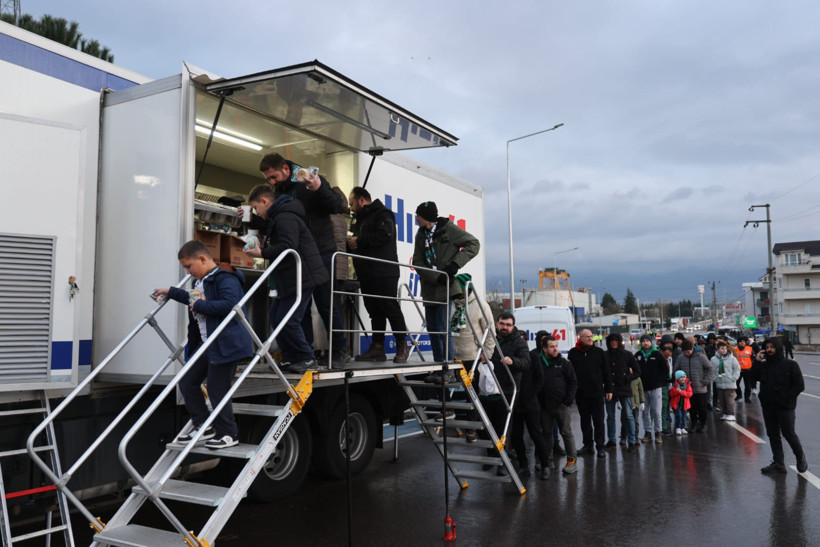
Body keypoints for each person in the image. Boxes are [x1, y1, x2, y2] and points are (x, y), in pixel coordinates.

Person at [153, 240, 253, 449]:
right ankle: (204, 427)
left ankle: (228, 433)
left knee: (217, 389)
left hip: (226, 344)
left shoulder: (225, 277)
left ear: (202, 259)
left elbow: (231, 304)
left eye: (189, 266)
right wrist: (170, 291)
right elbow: (191, 299)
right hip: (208, 344)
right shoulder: (200, 282)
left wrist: (200, 305)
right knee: (187, 382)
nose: (188, 272)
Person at [257, 153, 346, 367]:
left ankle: (339, 350)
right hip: (300, 256)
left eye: (274, 176)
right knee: (300, 308)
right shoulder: (279, 192)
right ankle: (303, 355)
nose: (272, 181)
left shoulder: (310, 179)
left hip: (322, 251)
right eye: (269, 179)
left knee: (326, 304)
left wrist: (318, 188)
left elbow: (335, 206)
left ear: (286, 169)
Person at [245, 184, 329, 373]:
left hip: (302, 275)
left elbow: (288, 245)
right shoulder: (281, 216)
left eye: (256, 208)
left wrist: (262, 252)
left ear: (264, 201)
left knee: (287, 319)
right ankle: (291, 358)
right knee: (277, 317)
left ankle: (306, 358)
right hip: (293, 276)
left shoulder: (285, 217)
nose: (257, 213)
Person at [412, 201, 480, 362]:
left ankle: (447, 366)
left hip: (446, 286)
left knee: (443, 328)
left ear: (427, 217)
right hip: (429, 286)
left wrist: (455, 265)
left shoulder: (449, 229)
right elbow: (417, 262)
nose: (416, 219)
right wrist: (435, 276)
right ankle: (438, 363)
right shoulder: (421, 234)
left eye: (418, 216)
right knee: (432, 328)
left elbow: (474, 244)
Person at [347, 187, 409, 363]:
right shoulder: (359, 220)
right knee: (374, 311)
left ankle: (402, 345)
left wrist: (359, 240)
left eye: (352, 203)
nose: (351, 208)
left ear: (361, 200)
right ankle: (377, 347)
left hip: (384, 270)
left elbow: (385, 235)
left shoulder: (383, 214)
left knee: (390, 307)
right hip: (366, 272)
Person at [483, 312, 530, 476]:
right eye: (502, 324)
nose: (504, 327)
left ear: (513, 326)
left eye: (508, 325)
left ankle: (505, 463)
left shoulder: (519, 343)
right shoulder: (490, 339)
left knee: (506, 430)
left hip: (509, 391)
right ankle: (491, 458)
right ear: (497, 323)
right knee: (488, 427)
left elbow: (526, 363)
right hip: (489, 389)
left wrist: (513, 361)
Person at [451, 273, 496, 443]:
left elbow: (490, 331)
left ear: (466, 288)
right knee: (446, 387)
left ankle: (471, 427)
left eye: (458, 287)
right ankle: (446, 414)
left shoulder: (480, 305)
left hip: (473, 356)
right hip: (454, 356)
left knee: (472, 394)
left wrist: (487, 353)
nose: (455, 290)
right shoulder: (452, 304)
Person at [757, 338, 809, 474]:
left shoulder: (790, 365)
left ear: (778, 348)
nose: (769, 350)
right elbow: (753, 377)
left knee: (789, 434)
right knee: (773, 435)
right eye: (767, 347)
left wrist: (785, 398)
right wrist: (756, 361)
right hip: (768, 406)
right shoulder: (763, 365)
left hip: (785, 407)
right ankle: (779, 463)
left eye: (772, 347)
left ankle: (800, 457)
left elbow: (799, 385)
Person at [536, 335, 579, 475]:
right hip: (544, 406)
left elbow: (573, 382)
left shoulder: (564, 363)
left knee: (566, 433)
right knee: (547, 434)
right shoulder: (539, 363)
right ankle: (547, 459)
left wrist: (568, 400)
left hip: (562, 406)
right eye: (551, 347)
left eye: (556, 346)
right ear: (544, 348)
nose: (555, 349)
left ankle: (572, 460)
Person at [511, 329, 550, 479]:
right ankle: (523, 465)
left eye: (523, 340)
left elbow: (540, 379)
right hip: (515, 402)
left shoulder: (533, 357)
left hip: (531, 403)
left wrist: (531, 394)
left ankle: (545, 464)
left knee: (536, 434)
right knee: (516, 436)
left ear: (526, 341)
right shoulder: (512, 357)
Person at [568, 329, 612, 458]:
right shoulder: (573, 353)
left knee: (599, 421)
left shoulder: (599, 352)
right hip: (581, 393)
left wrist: (609, 389)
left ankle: (600, 446)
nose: (590, 339)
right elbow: (570, 373)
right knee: (585, 421)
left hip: (597, 393)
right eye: (587, 337)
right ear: (580, 338)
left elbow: (606, 372)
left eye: (591, 336)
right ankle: (588, 445)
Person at [604, 333, 640, 452]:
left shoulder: (627, 355)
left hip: (624, 389)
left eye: (616, 341)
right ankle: (612, 440)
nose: (613, 343)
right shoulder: (605, 355)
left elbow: (637, 371)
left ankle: (632, 441)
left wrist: (627, 378)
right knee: (610, 416)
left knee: (629, 415)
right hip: (610, 390)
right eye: (611, 341)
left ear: (619, 342)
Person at [674, 340, 714, 433]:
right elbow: (676, 370)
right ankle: (694, 424)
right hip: (687, 389)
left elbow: (710, 368)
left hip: (700, 388)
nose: (687, 353)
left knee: (702, 408)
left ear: (692, 349)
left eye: (689, 351)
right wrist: (679, 382)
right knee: (691, 408)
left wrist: (706, 381)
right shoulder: (681, 358)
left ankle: (703, 424)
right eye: (685, 352)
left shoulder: (700, 357)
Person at [635, 334, 666, 444]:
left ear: (651, 342)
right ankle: (648, 432)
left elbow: (664, 369)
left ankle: (658, 433)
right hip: (643, 389)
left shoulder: (657, 354)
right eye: (643, 341)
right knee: (645, 412)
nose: (645, 343)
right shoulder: (638, 355)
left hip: (655, 388)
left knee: (656, 411)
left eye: (648, 341)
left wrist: (660, 382)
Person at [711, 341, 741, 421]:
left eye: (725, 348)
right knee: (722, 400)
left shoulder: (732, 358)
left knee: (729, 400)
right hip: (719, 382)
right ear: (718, 349)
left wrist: (734, 378)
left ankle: (731, 414)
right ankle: (724, 413)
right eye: (721, 348)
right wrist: (714, 378)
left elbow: (737, 368)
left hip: (730, 383)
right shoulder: (713, 359)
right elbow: (712, 370)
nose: (723, 350)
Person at [658, 340, 676, 435]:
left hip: (670, 385)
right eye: (666, 354)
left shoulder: (671, 359)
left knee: (666, 406)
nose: (668, 356)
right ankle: (661, 426)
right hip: (661, 385)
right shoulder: (660, 359)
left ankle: (665, 425)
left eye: (669, 354)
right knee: (662, 407)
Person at [669, 370, 693, 435]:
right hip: (677, 405)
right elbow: (671, 394)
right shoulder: (674, 385)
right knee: (678, 416)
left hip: (684, 405)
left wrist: (681, 392)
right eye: (681, 377)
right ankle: (678, 427)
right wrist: (676, 391)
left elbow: (689, 394)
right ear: (677, 378)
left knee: (684, 416)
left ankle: (683, 427)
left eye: (684, 377)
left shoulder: (687, 385)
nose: (683, 379)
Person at [735, 336, 755, 402]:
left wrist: (751, 364)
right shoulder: (735, 349)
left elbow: (753, 358)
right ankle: (739, 395)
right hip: (738, 370)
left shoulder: (750, 349)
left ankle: (747, 398)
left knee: (748, 385)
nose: (742, 343)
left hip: (748, 369)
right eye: (741, 341)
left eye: (743, 341)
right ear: (738, 343)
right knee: (736, 384)